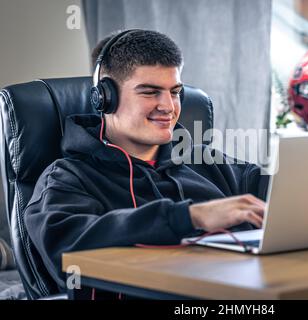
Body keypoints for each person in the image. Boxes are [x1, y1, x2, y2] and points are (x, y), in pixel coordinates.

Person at [23, 29, 269, 295]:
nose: (168, 106)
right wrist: (189, 217)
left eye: (175, 92)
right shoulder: (67, 178)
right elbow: (66, 247)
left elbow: (285, 194)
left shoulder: (207, 163)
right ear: (105, 97)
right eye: (150, 92)